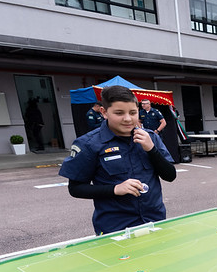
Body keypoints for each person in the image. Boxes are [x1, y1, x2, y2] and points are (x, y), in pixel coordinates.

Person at [59, 85, 176, 236]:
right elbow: (75, 188)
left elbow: (170, 175)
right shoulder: (89, 144)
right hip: (115, 228)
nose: (128, 119)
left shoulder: (150, 138)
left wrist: (151, 149)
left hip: (154, 221)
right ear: (104, 112)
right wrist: (115, 189)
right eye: (119, 113)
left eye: (133, 112)